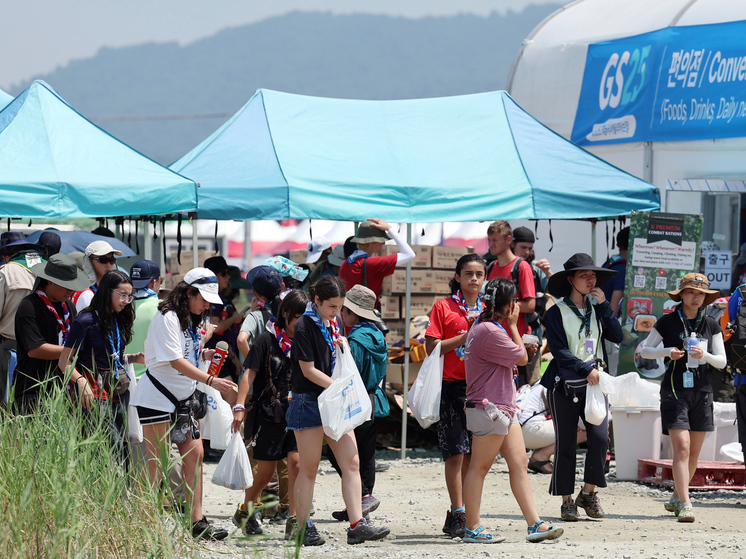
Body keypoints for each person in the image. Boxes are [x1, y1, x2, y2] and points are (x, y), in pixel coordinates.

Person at [130, 268, 237, 540]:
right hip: (156, 397)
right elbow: (175, 361)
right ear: (188, 292)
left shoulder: (189, 320)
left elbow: (185, 354)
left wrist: (204, 352)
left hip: (183, 399)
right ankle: (146, 523)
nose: (207, 305)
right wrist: (212, 381)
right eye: (203, 298)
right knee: (156, 462)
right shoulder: (166, 317)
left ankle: (196, 521)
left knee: (195, 455)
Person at [287, 275, 389, 546]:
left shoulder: (330, 324)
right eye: (332, 306)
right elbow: (307, 371)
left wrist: (340, 347)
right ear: (317, 300)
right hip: (308, 402)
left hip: (333, 401)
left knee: (352, 462)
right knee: (309, 469)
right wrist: (339, 386)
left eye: (340, 307)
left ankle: (357, 524)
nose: (337, 313)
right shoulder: (305, 325)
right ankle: (302, 526)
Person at [462, 278, 563, 544]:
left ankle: (534, 524)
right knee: (479, 469)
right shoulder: (490, 331)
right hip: (490, 409)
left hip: (504, 409)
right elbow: (522, 357)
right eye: (514, 302)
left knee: (519, 464)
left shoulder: (482, 327)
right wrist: (513, 327)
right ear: (508, 305)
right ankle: (472, 528)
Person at [540, 253, 623, 521]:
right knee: (566, 444)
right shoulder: (555, 312)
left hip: (595, 385)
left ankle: (588, 494)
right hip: (563, 384)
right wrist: (586, 369)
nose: (591, 280)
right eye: (584, 275)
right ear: (571, 280)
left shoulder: (598, 309)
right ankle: (566, 501)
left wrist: (605, 307)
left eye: (593, 276)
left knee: (600, 440)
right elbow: (558, 350)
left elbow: (618, 336)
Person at [640, 273, 726, 522]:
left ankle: (677, 496)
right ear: (681, 295)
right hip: (674, 390)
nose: (695, 297)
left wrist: (705, 356)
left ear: (705, 298)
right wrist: (667, 351)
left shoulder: (710, 323)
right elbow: (645, 350)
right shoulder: (667, 322)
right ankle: (687, 504)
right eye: (690, 292)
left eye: (700, 294)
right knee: (683, 448)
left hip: (703, 391)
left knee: (694, 453)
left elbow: (721, 361)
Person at [231, 290, 309, 536]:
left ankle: (294, 524)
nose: (301, 322)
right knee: (264, 474)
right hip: (268, 413)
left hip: (297, 412)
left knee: (296, 465)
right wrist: (240, 406)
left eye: (305, 317)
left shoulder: (306, 340)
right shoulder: (266, 340)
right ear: (285, 313)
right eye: (297, 316)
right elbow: (249, 374)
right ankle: (245, 511)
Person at [424, 253, 486, 538]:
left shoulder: (488, 309)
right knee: (455, 454)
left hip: (480, 389)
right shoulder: (444, 306)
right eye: (469, 273)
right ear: (458, 277)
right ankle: (459, 512)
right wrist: (464, 336)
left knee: (473, 455)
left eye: (479, 274)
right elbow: (431, 347)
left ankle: (460, 512)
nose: (474, 279)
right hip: (450, 387)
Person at [59, 270, 145, 464]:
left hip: (118, 392)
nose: (125, 301)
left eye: (129, 296)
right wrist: (80, 382)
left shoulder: (117, 318)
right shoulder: (85, 321)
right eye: (122, 295)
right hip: (94, 394)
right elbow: (64, 362)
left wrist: (132, 358)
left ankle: (117, 493)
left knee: (121, 448)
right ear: (107, 292)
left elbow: (106, 355)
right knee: (109, 449)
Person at [328, 284, 389, 521]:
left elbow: (350, 374)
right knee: (366, 453)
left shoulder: (354, 340)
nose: (341, 314)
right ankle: (361, 499)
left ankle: (362, 496)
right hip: (374, 400)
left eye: (344, 310)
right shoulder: (377, 336)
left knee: (341, 454)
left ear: (351, 313)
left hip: (355, 400)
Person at [12, 254, 88, 412]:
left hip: (63, 391)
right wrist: (74, 350)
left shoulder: (68, 306)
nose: (71, 290)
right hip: (32, 391)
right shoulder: (29, 306)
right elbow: (35, 349)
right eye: (66, 284)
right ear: (50, 280)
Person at [486, 221, 537, 387]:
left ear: (509, 240)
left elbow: (530, 305)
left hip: (515, 344)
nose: (491, 244)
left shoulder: (521, 266)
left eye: (495, 239)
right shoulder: (491, 267)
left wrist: (501, 306)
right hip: (494, 342)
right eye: (489, 239)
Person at [0, 232, 44, 406]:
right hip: (43, 348)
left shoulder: (6, 272)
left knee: (6, 401)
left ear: (6, 255)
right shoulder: (46, 268)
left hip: (9, 346)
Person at [338, 218, 415, 306]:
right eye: (382, 240)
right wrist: (389, 228)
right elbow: (409, 254)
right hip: (367, 315)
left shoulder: (345, 263)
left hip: (347, 315)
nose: (384, 243)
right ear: (372, 242)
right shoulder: (373, 263)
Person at [517, 381, 587, 475]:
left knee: (567, 425)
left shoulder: (541, 382)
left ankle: (538, 457)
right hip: (530, 431)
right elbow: (576, 421)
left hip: (519, 431)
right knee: (583, 431)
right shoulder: (556, 385)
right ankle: (541, 456)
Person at [204, 256, 246, 407]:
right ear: (214, 276)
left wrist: (234, 359)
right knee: (231, 397)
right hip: (213, 356)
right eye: (224, 273)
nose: (228, 277)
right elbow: (215, 327)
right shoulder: (212, 298)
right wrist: (234, 319)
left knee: (228, 398)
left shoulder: (219, 297)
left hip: (222, 354)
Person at [237, 265, 283, 358]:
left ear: (257, 294)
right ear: (282, 288)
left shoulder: (255, 316)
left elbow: (241, 340)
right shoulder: (290, 312)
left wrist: (253, 364)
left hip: (264, 369)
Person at [72, 240, 122, 312]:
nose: (108, 264)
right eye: (103, 260)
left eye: (111, 260)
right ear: (89, 261)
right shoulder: (87, 294)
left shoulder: (107, 289)